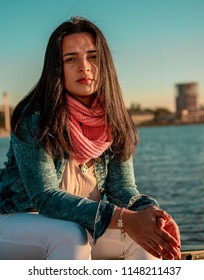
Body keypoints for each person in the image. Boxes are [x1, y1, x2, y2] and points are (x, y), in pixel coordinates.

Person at [0, 16, 181, 260]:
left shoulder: (114, 119)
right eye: (70, 59)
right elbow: (45, 198)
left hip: (76, 222)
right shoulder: (34, 117)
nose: (84, 67)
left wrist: (151, 214)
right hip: (15, 219)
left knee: (146, 241)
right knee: (71, 235)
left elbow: (122, 190)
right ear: (57, 67)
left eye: (93, 57)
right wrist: (123, 219)